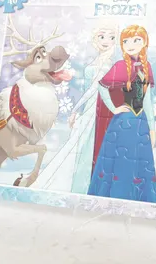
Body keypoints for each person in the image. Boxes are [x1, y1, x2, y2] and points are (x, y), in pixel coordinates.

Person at [33, 22, 118, 192]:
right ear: (95, 39)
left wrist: (75, 109)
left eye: (111, 37)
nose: (106, 41)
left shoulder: (109, 65)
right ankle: (78, 184)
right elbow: (89, 91)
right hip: (90, 109)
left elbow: (96, 89)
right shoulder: (97, 62)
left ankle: (88, 184)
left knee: (88, 146)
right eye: (102, 36)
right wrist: (78, 110)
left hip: (102, 109)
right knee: (80, 146)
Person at [88, 24, 156, 203]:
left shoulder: (147, 67)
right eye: (126, 41)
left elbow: (147, 101)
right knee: (121, 164)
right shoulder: (120, 66)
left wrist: (152, 128)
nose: (130, 45)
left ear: (145, 42)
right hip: (123, 123)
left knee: (140, 165)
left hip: (141, 123)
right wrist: (114, 108)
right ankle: (117, 198)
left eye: (136, 40)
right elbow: (102, 86)